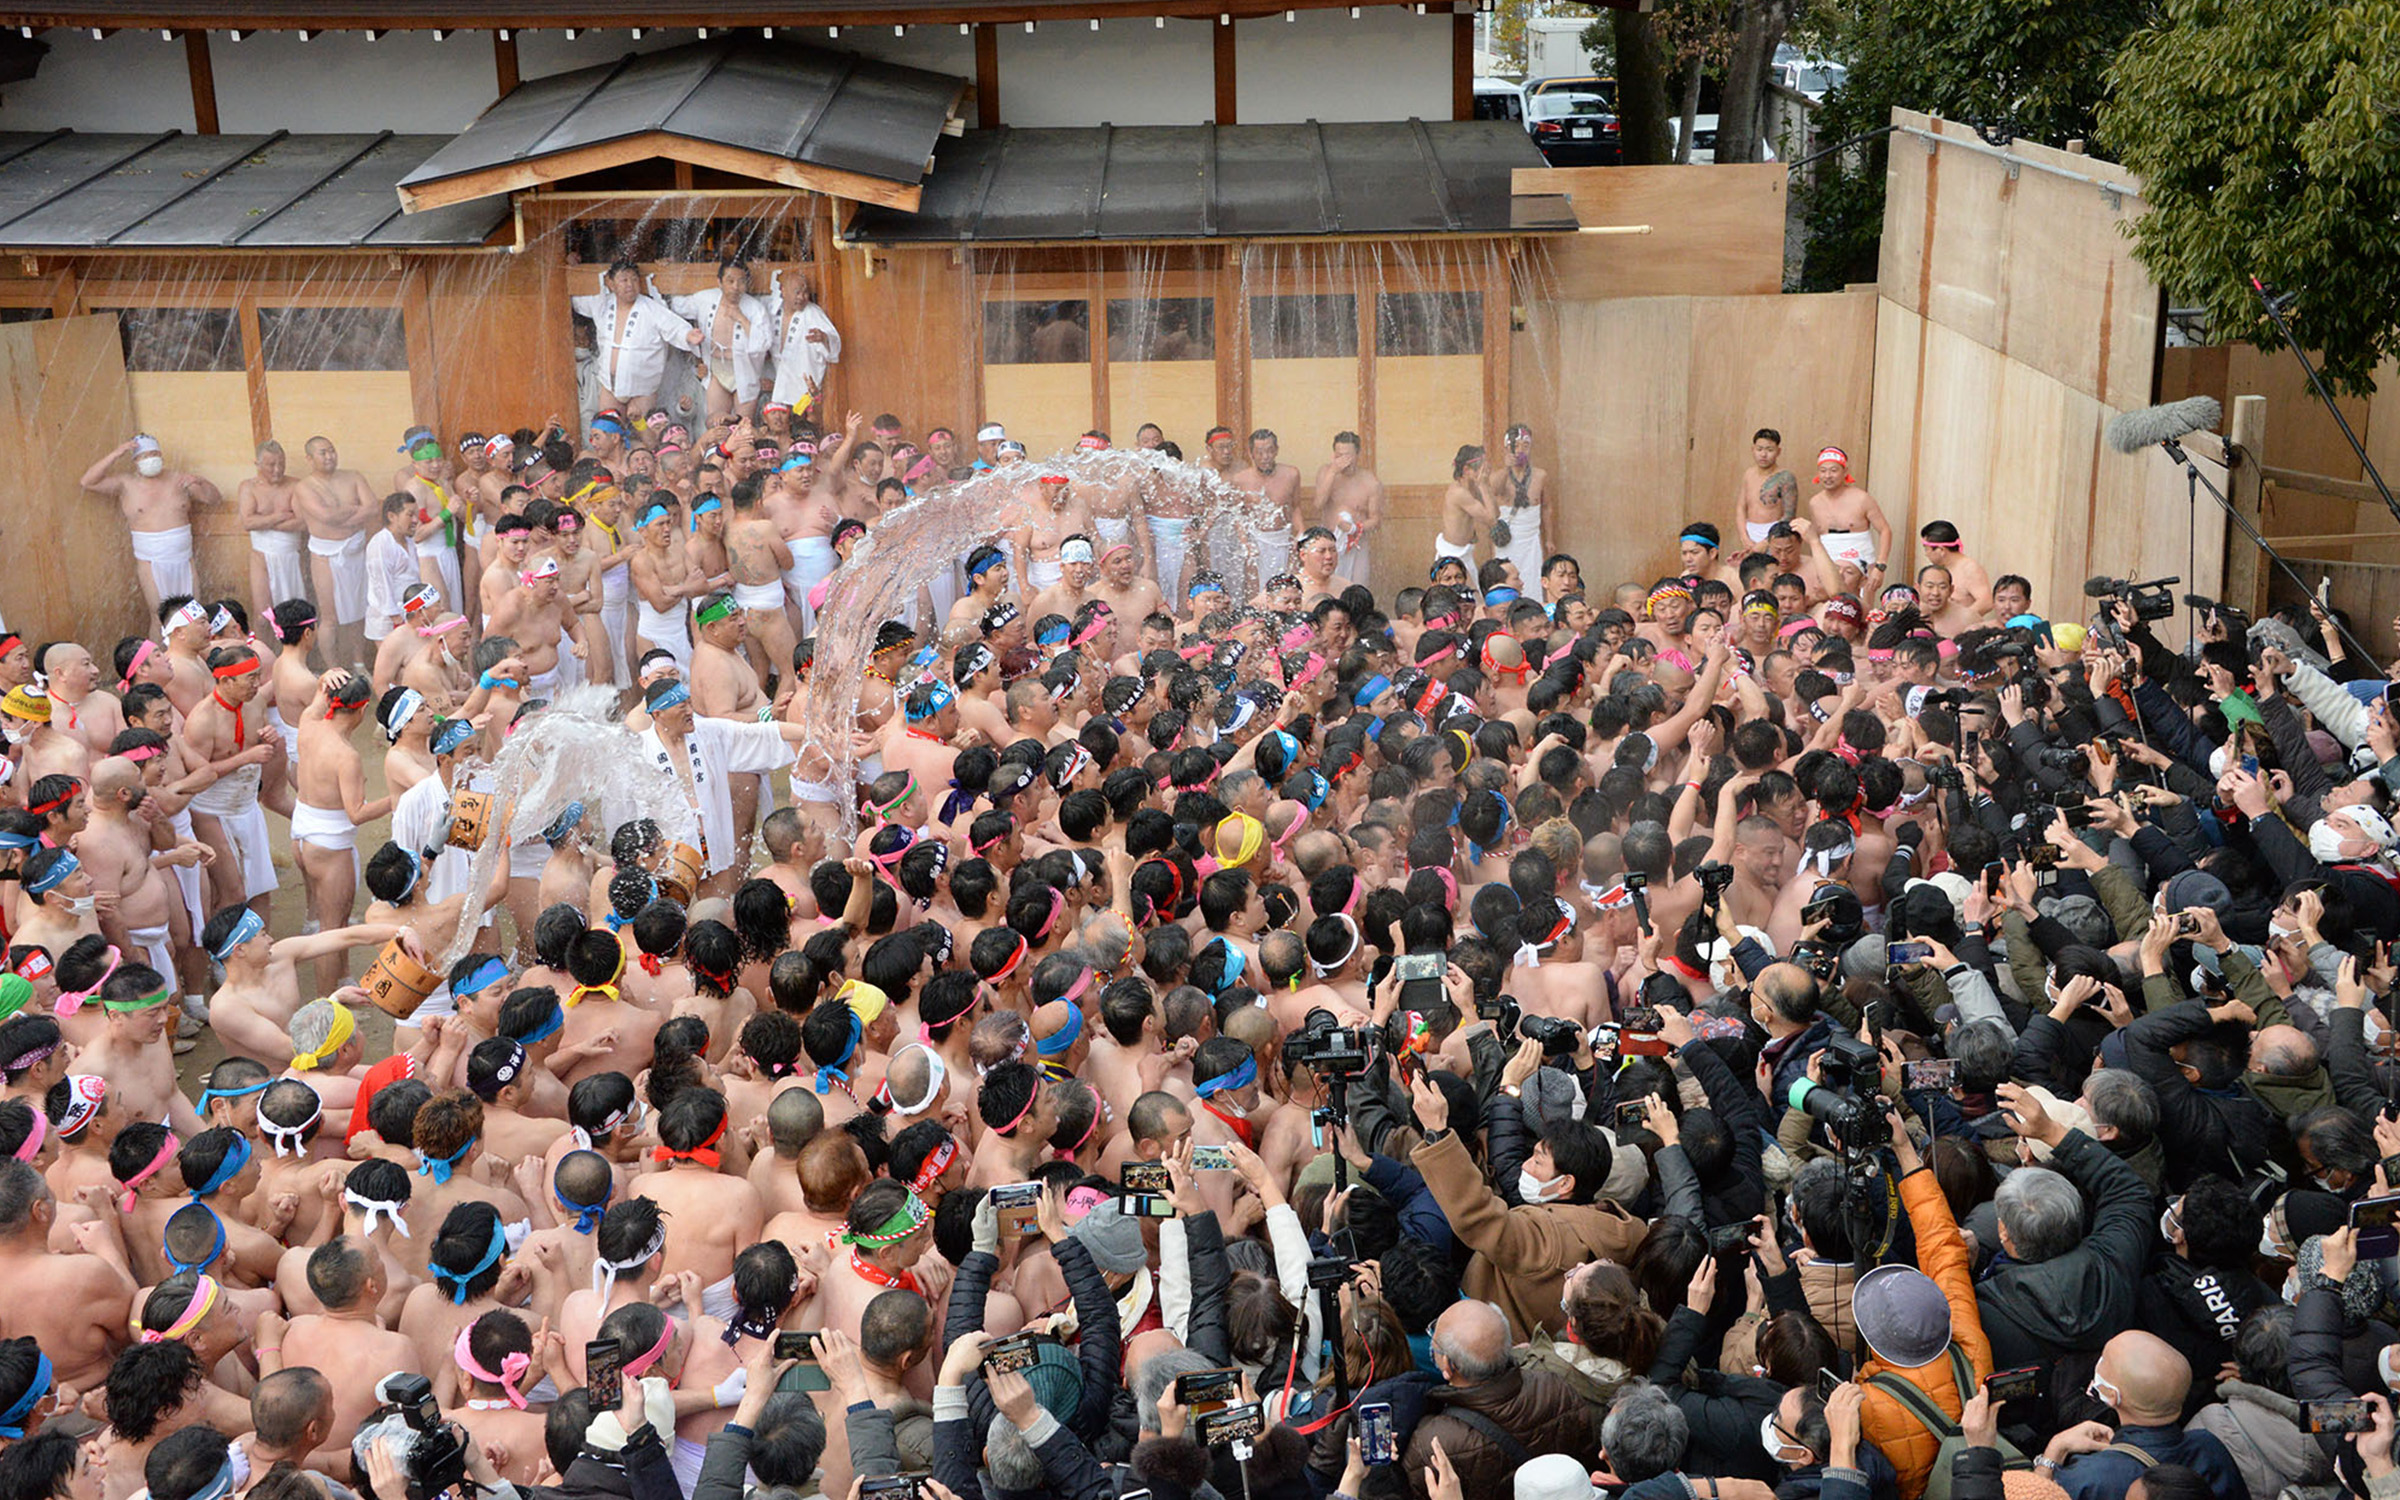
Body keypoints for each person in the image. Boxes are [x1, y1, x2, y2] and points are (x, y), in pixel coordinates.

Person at [80, 433, 222, 615]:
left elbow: (214, 499)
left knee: (193, 613)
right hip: (150, 560)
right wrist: (115, 454)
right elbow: (87, 482)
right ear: (135, 460)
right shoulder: (126, 484)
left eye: (155, 454)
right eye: (145, 456)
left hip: (184, 558)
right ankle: (157, 645)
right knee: (159, 617)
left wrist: (202, 482)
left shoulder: (180, 480)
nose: (151, 459)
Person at [572, 261, 704, 417]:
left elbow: (672, 325)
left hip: (643, 388)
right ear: (611, 284)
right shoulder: (601, 304)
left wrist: (688, 335)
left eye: (634, 279)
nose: (630, 284)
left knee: (645, 433)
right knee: (608, 429)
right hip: (609, 384)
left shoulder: (651, 308)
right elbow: (577, 301)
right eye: (624, 280)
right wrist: (573, 268)